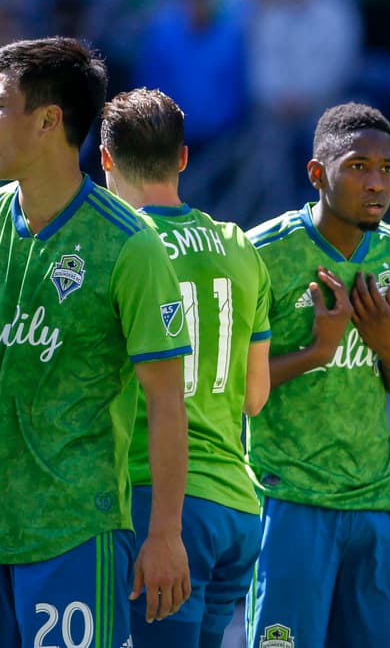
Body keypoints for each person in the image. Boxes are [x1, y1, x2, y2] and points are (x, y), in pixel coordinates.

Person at [0, 37, 194, 647]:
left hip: (76, 536)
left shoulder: (130, 244)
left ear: (47, 120)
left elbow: (167, 399)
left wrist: (165, 532)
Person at [244, 102, 390, 647]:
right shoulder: (264, 253)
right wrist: (317, 350)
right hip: (290, 497)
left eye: (388, 169)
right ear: (316, 173)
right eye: (357, 166)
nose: (376, 183)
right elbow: (238, 389)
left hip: (376, 501)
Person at [99, 88, 272, 647]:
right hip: (238, 510)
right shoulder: (239, 245)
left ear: (105, 159)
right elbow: (254, 398)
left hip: (161, 509)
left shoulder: (121, 248)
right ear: (183, 158)